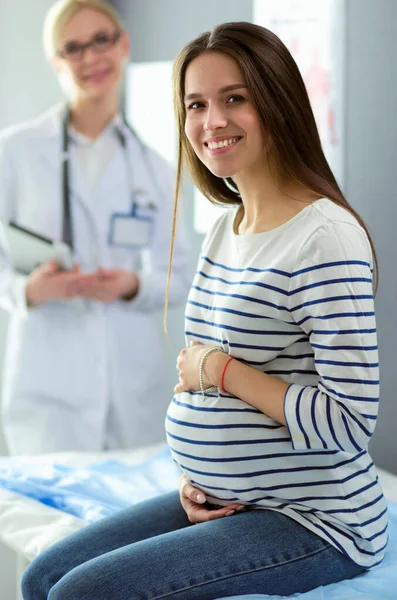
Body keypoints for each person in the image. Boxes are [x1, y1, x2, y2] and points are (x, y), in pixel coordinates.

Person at [20, 21, 388, 599]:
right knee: (40, 576)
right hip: (224, 501)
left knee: (78, 594)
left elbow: (349, 420)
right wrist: (199, 478)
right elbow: (202, 382)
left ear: (278, 104)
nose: (211, 122)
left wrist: (222, 372)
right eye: (196, 105)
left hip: (315, 519)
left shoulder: (325, 238)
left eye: (233, 99)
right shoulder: (226, 226)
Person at [0, 0, 191, 456]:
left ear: (123, 45)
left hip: (133, 381)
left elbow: (181, 276)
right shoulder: (16, 151)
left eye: (101, 41)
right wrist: (30, 289)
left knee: (132, 521)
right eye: (73, 48)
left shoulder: (155, 167)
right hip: (50, 382)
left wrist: (132, 284)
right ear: (56, 61)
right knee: (52, 525)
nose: (90, 58)